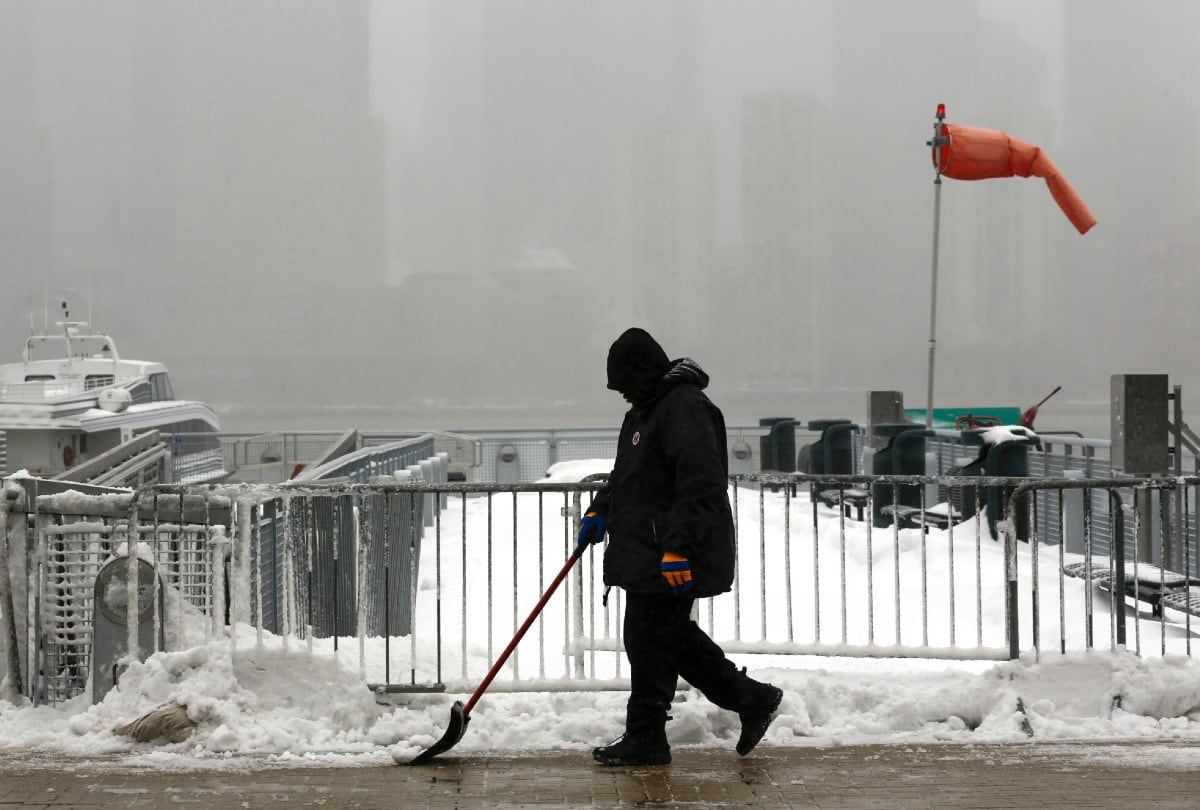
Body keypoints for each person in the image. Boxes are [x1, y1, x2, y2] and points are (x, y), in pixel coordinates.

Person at [577, 327, 783, 766]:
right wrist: (601, 509)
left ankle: (648, 735)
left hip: (671, 552)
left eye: (626, 384)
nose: (623, 395)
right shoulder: (644, 411)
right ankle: (750, 699)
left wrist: (678, 547)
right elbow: (628, 476)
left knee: (651, 637)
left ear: (645, 371)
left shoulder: (686, 409)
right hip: (647, 548)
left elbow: (701, 484)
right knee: (661, 637)